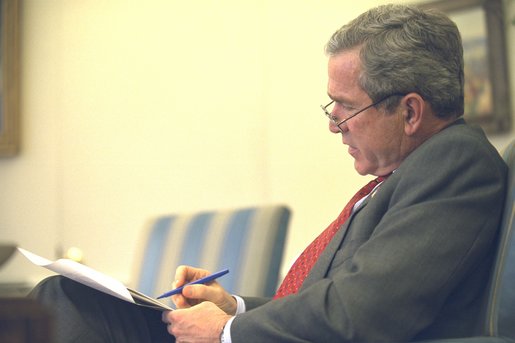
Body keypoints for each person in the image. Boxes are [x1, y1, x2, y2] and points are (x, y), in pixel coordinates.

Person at [30, 4, 507, 342]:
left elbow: (360, 312)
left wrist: (228, 333)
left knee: (67, 302)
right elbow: (330, 300)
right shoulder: (409, 174)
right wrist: (231, 307)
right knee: (68, 296)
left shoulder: (456, 164)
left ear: (409, 112)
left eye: (344, 106)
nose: (333, 124)